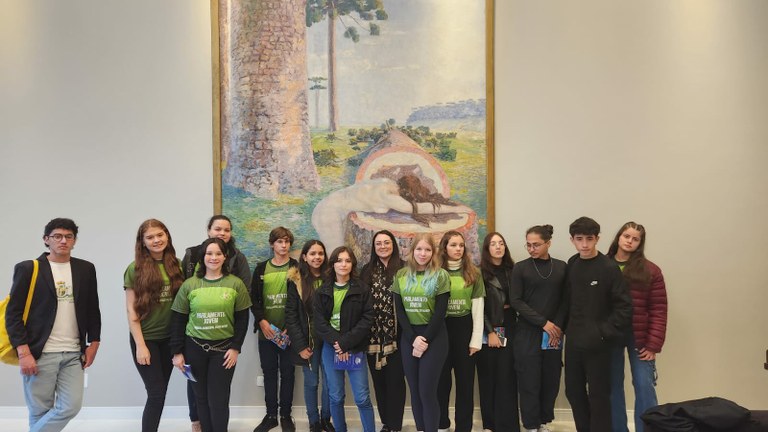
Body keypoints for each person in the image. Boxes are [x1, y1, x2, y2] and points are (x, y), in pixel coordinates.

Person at [6, 217, 101, 432]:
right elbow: (13, 314)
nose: (63, 241)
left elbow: (92, 308)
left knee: (70, 406)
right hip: (39, 352)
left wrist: (94, 342)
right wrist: (23, 353)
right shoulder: (28, 268)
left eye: (69, 236)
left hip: (73, 352)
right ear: (46, 239)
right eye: (57, 236)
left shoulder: (85, 269)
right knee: (39, 411)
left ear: (74, 240)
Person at [170, 237, 251, 432]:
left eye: (218, 253)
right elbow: (178, 320)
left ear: (225, 257)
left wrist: (236, 348)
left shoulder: (236, 284)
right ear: (202, 257)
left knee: (218, 399)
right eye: (209, 253)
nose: (213, 257)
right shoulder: (189, 285)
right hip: (194, 348)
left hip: (224, 351)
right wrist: (177, 352)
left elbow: (242, 320)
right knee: (201, 398)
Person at [563, 217, 632, 432]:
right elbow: (567, 301)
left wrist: (603, 332)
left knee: (599, 396)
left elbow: (624, 307)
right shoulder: (572, 264)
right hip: (574, 342)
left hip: (599, 345)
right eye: (579, 239)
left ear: (597, 239)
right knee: (573, 392)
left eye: (589, 239)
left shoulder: (609, 268)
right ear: (572, 240)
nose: (584, 244)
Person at [124, 219, 184, 432]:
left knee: (160, 392)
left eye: (160, 235)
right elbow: (131, 311)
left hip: (171, 340)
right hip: (146, 339)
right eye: (150, 237)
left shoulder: (178, 265)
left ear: (167, 235)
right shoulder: (134, 269)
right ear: (142, 242)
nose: (156, 240)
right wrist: (141, 345)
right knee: (156, 393)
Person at [607, 222, 668, 432]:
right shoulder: (603, 265)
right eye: (626, 236)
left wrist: (653, 345)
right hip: (610, 334)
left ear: (640, 243)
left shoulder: (651, 270)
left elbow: (659, 309)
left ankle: (647, 429)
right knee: (612, 387)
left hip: (640, 337)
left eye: (635, 239)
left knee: (644, 386)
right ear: (619, 237)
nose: (629, 241)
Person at [509, 225, 567, 432]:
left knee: (550, 379)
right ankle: (531, 425)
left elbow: (565, 301)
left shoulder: (561, 267)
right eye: (528, 245)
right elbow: (516, 301)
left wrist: (557, 327)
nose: (531, 249)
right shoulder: (520, 268)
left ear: (548, 243)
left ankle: (543, 421)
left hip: (554, 334)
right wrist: (543, 323)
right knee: (529, 380)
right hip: (527, 332)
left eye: (536, 245)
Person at [391, 233, 451, 432]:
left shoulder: (441, 275)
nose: (423, 253)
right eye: (419, 249)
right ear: (412, 251)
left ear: (433, 252)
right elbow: (400, 311)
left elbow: (440, 313)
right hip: (409, 336)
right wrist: (413, 338)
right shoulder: (401, 275)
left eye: (427, 249)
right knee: (415, 392)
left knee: (427, 391)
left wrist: (424, 339)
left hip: (434, 336)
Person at [314, 246, 375, 432]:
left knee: (362, 398)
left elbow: (367, 319)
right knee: (335, 396)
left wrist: (345, 343)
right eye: (339, 260)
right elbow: (319, 323)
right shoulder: (322, 291)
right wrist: (337, 343)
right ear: (332, 264)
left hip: (355, 348)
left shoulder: (362, 289)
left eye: (348, 261)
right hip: (331, 348)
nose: (343, 264)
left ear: (352, 264)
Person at [251, 227, 299, 432]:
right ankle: (271, 415)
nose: (284, 245)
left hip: (289, 333)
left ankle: (286, 415)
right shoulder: (261, 269)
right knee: (269, 373)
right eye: (280, 241)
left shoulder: (296, 267)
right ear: (272, 244)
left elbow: (300, 300)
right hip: (267, 334)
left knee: (288, 373)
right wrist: (261, 321)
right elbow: (254, 299)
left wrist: (291, 327)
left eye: (287, 241)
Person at [284, 240, 335, 432]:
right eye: (312, 253)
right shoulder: (296, 280)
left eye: (320, 253)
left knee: (330, 383)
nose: (317, 257)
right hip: (308, 342)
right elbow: (291, 315)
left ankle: (326, 419)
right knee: (312, 383)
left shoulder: (332, 277)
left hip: (329, 341)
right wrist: (300, 345)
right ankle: (313, 421)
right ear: (304, 257)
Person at [436, 231, 485, 432]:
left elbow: (478, 308)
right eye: (453, 245)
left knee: (465, 384)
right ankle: (442, 424)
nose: (458, 249)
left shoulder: (473, 272)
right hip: (441, 330)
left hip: (465, 330)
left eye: (461, 245)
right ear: (444, 247)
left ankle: (463, 427)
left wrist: (476, 340)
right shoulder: (435, 271)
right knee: (441, 382)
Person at [359, 230, 407, 432]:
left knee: (396, 382)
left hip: (399, 336)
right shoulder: (366, 270)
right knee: (379, 382)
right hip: (372, 337)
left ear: (393, 245)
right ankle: (387, 422)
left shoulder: (404, 268)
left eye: (386, 242)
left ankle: (395, 425)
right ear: (374, 247)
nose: (383, 246)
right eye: (378, 243)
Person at [476, 232, 519, 432]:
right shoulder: (480, 273)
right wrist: (490, 331)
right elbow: (478, 306)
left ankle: (508, 425)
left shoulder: (514, 270)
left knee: (507, 376)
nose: (498, 247)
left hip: (511, 326)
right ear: (487, 249)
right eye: (493, 244)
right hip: (490, 327)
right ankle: (490, 424)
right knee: (488, 377)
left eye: (501, 243)